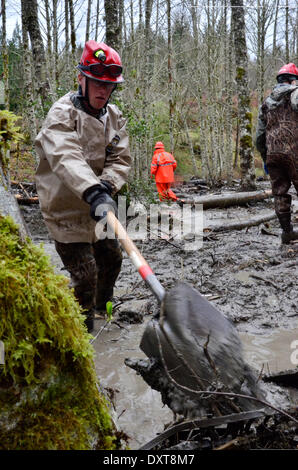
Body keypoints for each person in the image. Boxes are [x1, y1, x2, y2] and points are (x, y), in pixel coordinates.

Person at [35, 40, 131, 332]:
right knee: (85, 277)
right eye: (97, 83)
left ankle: (104, 312)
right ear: (81, 79)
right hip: (66, 211)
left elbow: (120, 159)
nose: (103, 90)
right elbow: (66, 156)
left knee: (112, 260)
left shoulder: (114, 118)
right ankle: (81, 330)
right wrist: (93, 191)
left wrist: (106, 185)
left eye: (109, 85)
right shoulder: (61, 114)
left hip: (100, 208)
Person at [255, 62, 298, 244]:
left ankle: (287, 232)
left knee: (280, 193)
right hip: (295, 152)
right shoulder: (296, 94)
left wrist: (266, 157)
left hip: (273, 154)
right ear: (293, 80)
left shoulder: (266, 103)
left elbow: (259, 136)